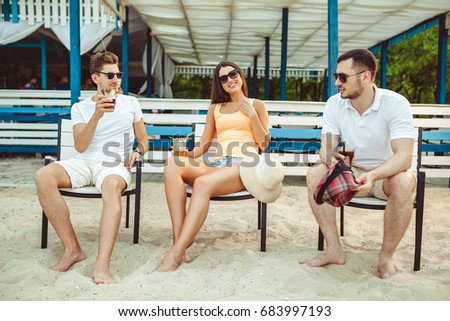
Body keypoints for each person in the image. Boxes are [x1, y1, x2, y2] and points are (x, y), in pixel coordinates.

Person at [34, 51, 149, 284]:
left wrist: (137, 152)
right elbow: (80, 146)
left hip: (113, 164)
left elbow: (144, 140)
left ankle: (102, 265)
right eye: (110, 75)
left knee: (111, 187)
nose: (116, 79)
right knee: (43, 176)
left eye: (119, 74)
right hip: (84, 161)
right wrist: (96, 115)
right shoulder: (81, 108)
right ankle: (72, 249)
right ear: (96, 78)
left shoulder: (131, 103)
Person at [300, 49, 416, 278]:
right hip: (351, 171)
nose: (337, 82)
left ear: (365, 76)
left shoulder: (395, 103)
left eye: (343, 77)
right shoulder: (335, 104)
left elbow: (404, 157)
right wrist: (329, 155)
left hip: (388, 174)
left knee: (403, 182)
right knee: (315, 174)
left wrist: (373, 176)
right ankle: (333, 249)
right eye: (336, 76)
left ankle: (386, 258)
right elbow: (327, 147)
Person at [157, 61, 271, 272]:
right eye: (223, 78)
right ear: (219, 84)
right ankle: (179, 241)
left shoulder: (257, 105)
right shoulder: (215, 108)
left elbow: (263, 143)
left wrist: (252, 115)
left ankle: (175, 254)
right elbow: (204, 145)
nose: (230, 80)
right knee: (172, 164)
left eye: (233, 74)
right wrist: (185, 155)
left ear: (240, 75)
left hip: (245, 164)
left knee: (201, 183)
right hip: (219, 165)